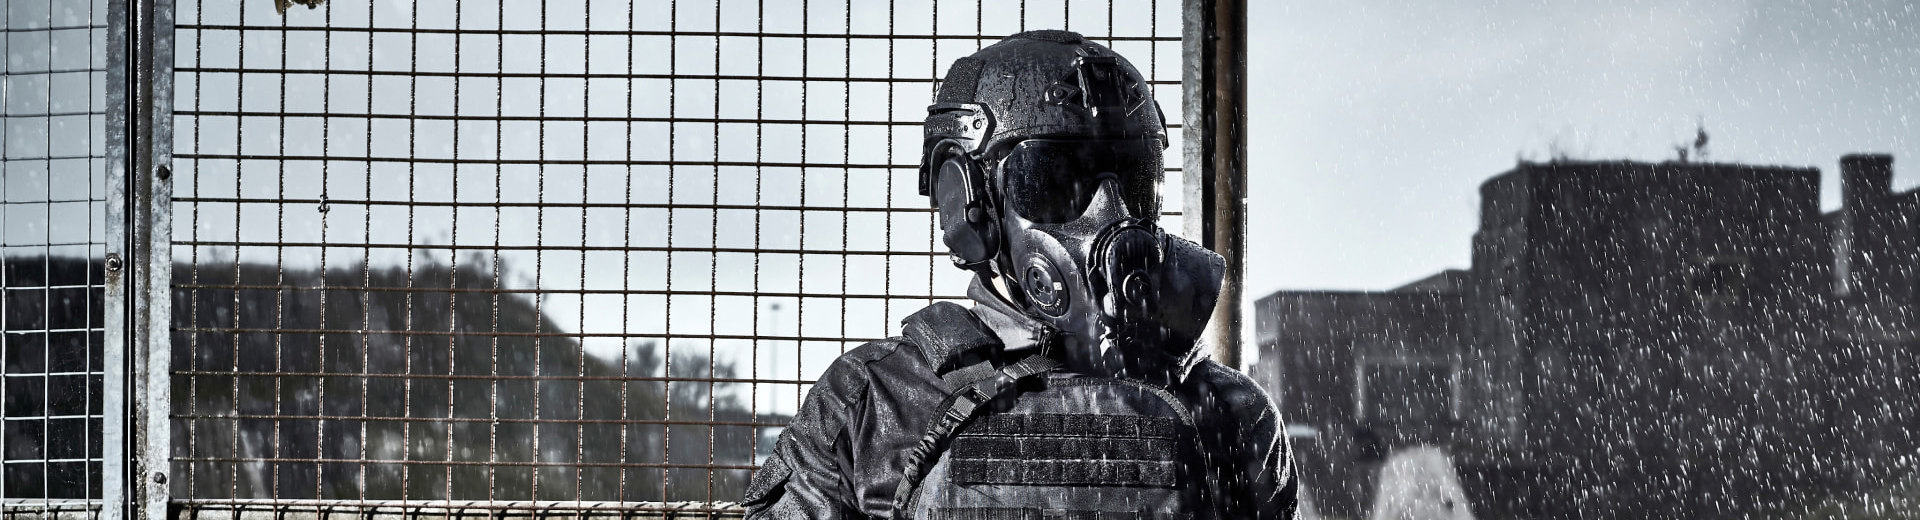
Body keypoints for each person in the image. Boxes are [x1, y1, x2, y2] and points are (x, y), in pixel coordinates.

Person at [743, 30, 1297, 519]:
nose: (1113, 215)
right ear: (970, 203)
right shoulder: (872, 405)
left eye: (1133, 178)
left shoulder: (1231, 412)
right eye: (1059, 177)